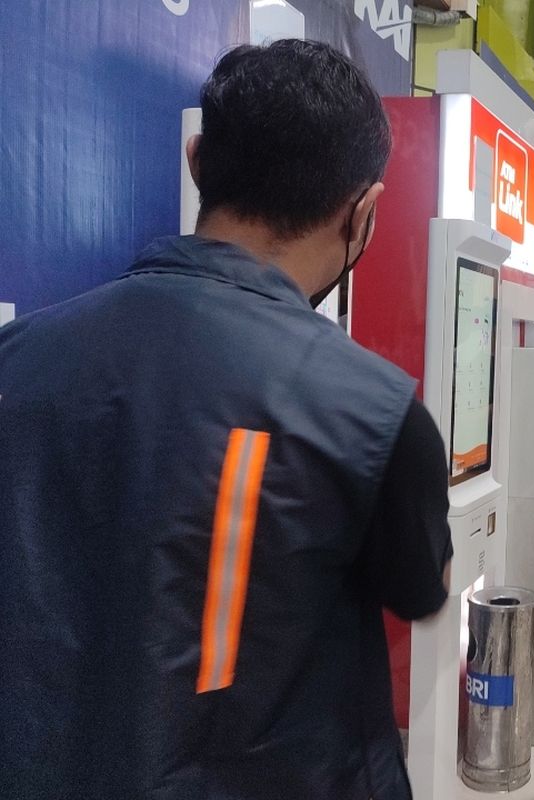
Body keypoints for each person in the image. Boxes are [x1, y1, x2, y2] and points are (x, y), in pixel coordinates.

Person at [0, 41, 452, 799]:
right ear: (363, 213)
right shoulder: (374, 413)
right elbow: (419, 587)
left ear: (196, 159)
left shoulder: (17, 358)